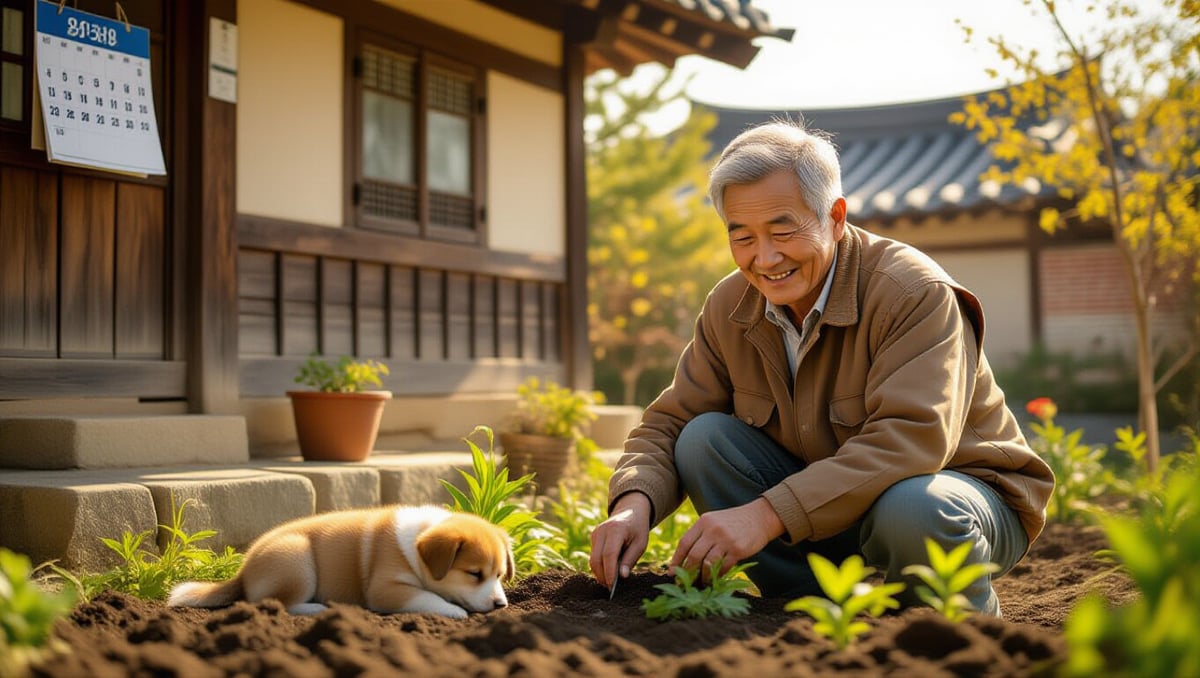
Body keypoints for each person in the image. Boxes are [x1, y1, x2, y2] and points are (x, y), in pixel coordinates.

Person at [588, 120, 1055, 616]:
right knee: (703, 439)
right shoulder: (730, 304)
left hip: (957, 498)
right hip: (825, 505)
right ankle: (807, 614)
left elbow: (912, 440)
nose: (764, 259)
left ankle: (960, 634)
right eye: (742, 236)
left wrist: (764, 515)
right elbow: (672, 419)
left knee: (915, 506)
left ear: (834, 217)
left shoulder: (913, 293)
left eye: (783, 231)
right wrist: (633, 503)